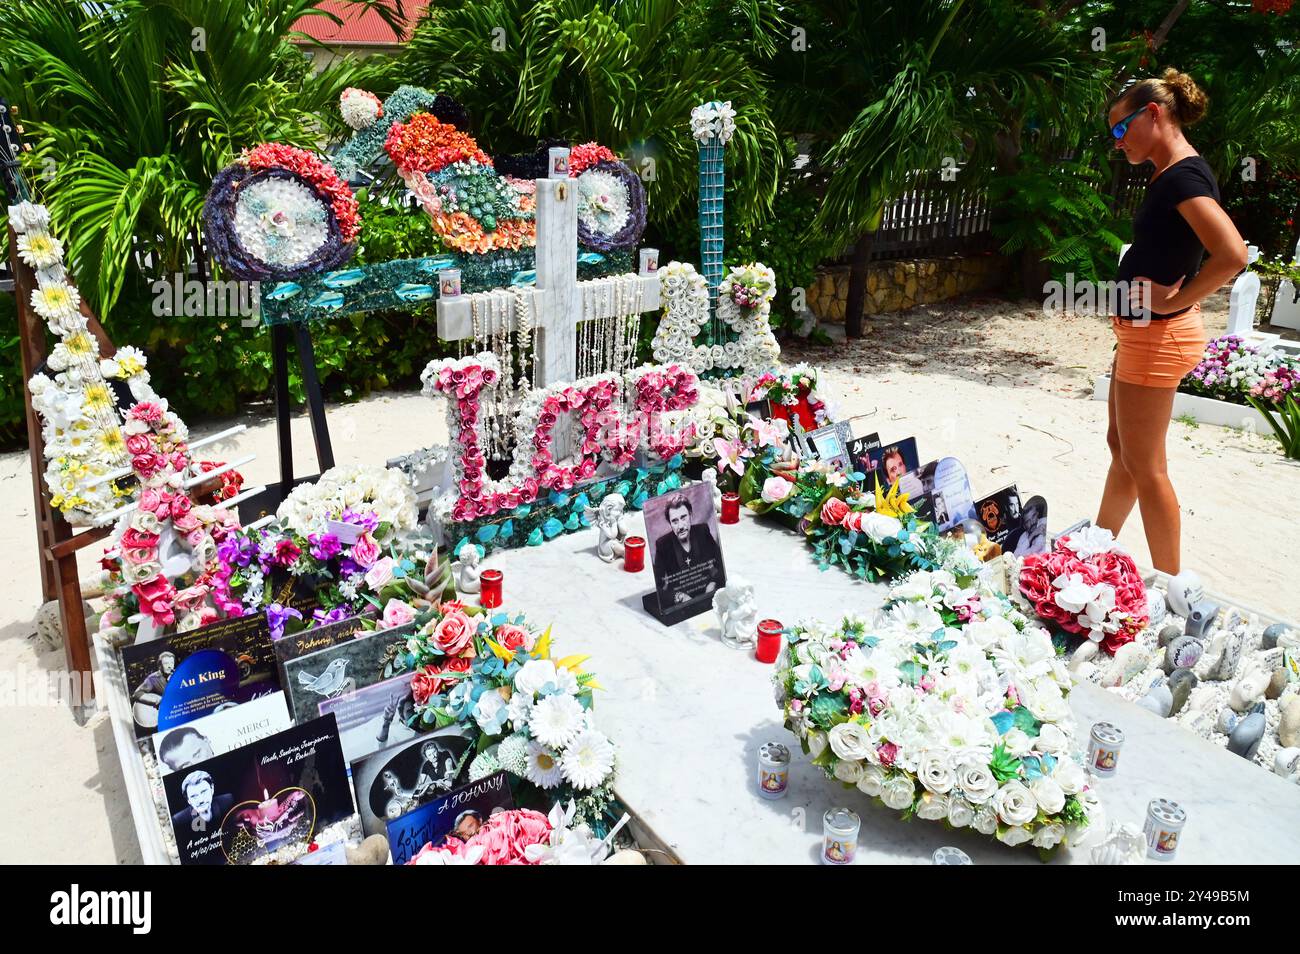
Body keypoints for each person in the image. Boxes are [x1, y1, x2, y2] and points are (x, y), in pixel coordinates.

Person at [1101, 70, 1248, 574]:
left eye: (1122, 130)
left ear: (1154, 114)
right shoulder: (1172, 174)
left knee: (1147, 466)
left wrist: (1171, 303)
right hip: (1141, 333)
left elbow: (1233, 254)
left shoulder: (1183, 176)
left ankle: (1172, 586)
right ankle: (1095, 547)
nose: (1117, 144)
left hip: (1158, 334)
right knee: (1122, 448)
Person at [652, 493, 725, 605]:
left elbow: (721, 566)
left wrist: (714, 582)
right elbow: (658, 587)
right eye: (675, 521)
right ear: (670, 523)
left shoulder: (703, 531)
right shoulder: (663, 544)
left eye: (683, 517)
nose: (681, 526)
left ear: (690, 515)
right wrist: (678, 596)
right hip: (682, 606)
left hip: (709, 597)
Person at [172, 770, 232, 834]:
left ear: (212, 789)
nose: (201, 800)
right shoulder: (177, 821)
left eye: (204, 792)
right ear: (188, 800)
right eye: (194, 796)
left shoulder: (229, 800)